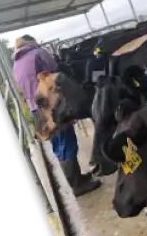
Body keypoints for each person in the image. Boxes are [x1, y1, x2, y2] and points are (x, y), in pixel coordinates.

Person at [11, 35, 100, 198]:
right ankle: (78, 185)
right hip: (52, 107)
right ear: (32, 42)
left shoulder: (16, 64)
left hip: (35, 109)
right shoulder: (38, 53)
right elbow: (57, 73)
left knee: (58, 144)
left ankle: (76, 178)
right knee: (66, 142)